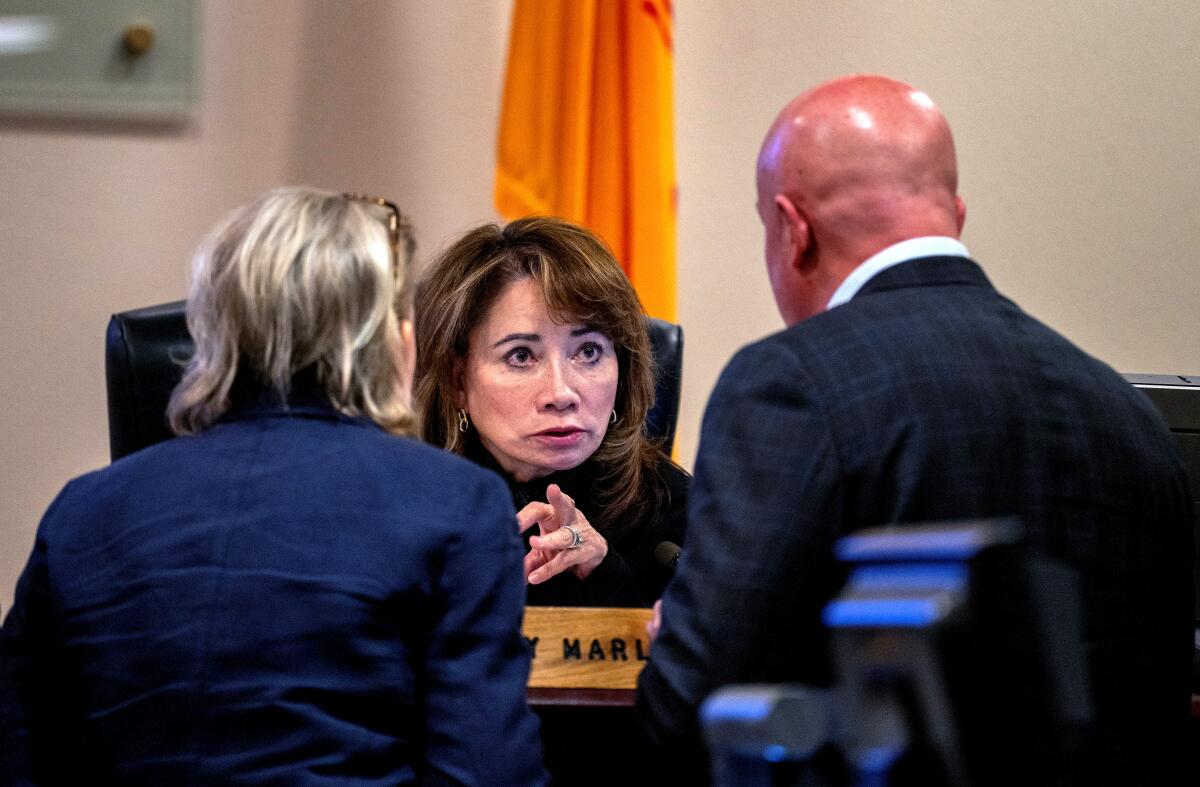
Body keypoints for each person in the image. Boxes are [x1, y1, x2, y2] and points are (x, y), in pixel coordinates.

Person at [637, 75, 1194, 785]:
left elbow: (692, 710)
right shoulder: (1129, 414)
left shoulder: (788, 386)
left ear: (793, 228)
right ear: (954, 215)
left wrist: (674, 646)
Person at [0, 187, 546, 785]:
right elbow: (484, 772)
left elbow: (19, 753)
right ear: (390, 341)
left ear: (210, 330)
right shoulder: (455, 504)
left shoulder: (82, 510)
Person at [414, 216, 688, 609]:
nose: (561, 393)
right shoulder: (403, 511)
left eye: (588, 351)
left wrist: (603, 575)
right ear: (458, 381)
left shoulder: (677, 523)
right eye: (521, 355)